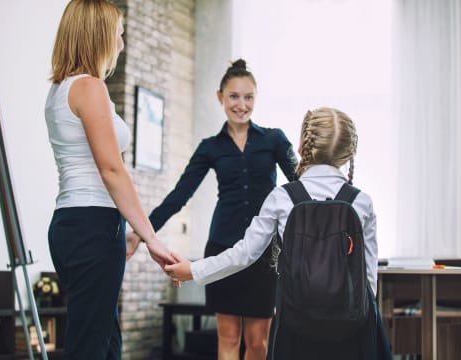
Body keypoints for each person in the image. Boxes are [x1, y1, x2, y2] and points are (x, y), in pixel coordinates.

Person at [165, 107, 390, 359]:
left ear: (303, 146)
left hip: (296, 324)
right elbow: (368, 279)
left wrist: (193, 270)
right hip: (350, 326)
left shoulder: (282, 197)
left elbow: (244, 254)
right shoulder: (362, 202)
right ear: (350, 152)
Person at [138, 59, 297, 359]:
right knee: (228, 337)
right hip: (222, 247)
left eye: (248, 97)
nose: (241, 104)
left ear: (255, 98)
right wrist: (142, 232)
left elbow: (301, 186)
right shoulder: (210, 147)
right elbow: (180, 195)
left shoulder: (275, 139)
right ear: (220, 97)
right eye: (234, 96)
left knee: (257, 342)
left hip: (265, 254)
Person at [45, 1, 176, 359]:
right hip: (94, 225)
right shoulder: (89, 87)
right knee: (92, 346)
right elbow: (112, 170)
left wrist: (130, 231)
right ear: (99, 37)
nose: (121, 43)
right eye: (119, 35)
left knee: (105, 341)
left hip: (74, 224)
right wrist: (151, 238)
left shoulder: (59, 89)